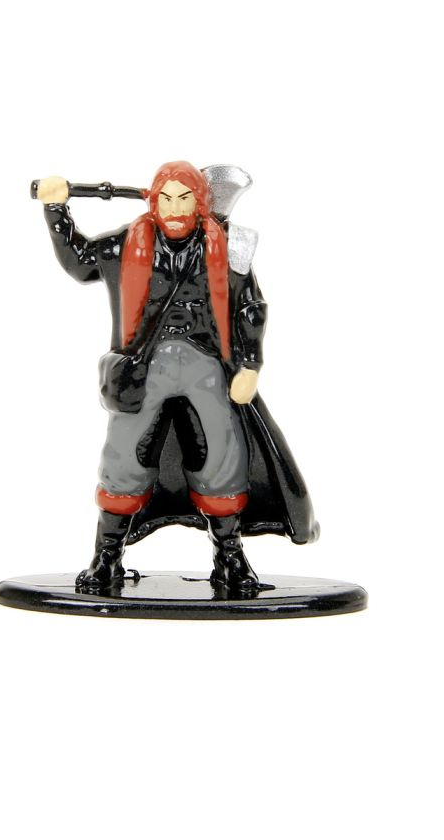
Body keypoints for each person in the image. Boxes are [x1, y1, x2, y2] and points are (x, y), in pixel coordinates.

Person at [36, 161, 318, 593]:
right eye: (166, 199)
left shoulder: (230, 247)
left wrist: (249, 365)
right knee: (124, 459)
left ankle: (230, 558)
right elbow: (80, 262)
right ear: (153, 201)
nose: (174, 208)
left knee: (222, 457)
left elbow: (250, 308)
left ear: (199, 203)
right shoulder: (126, 245)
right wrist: (56, 211)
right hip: (143, 373)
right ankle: (107, 556)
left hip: (207, 370)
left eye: (184, 199)